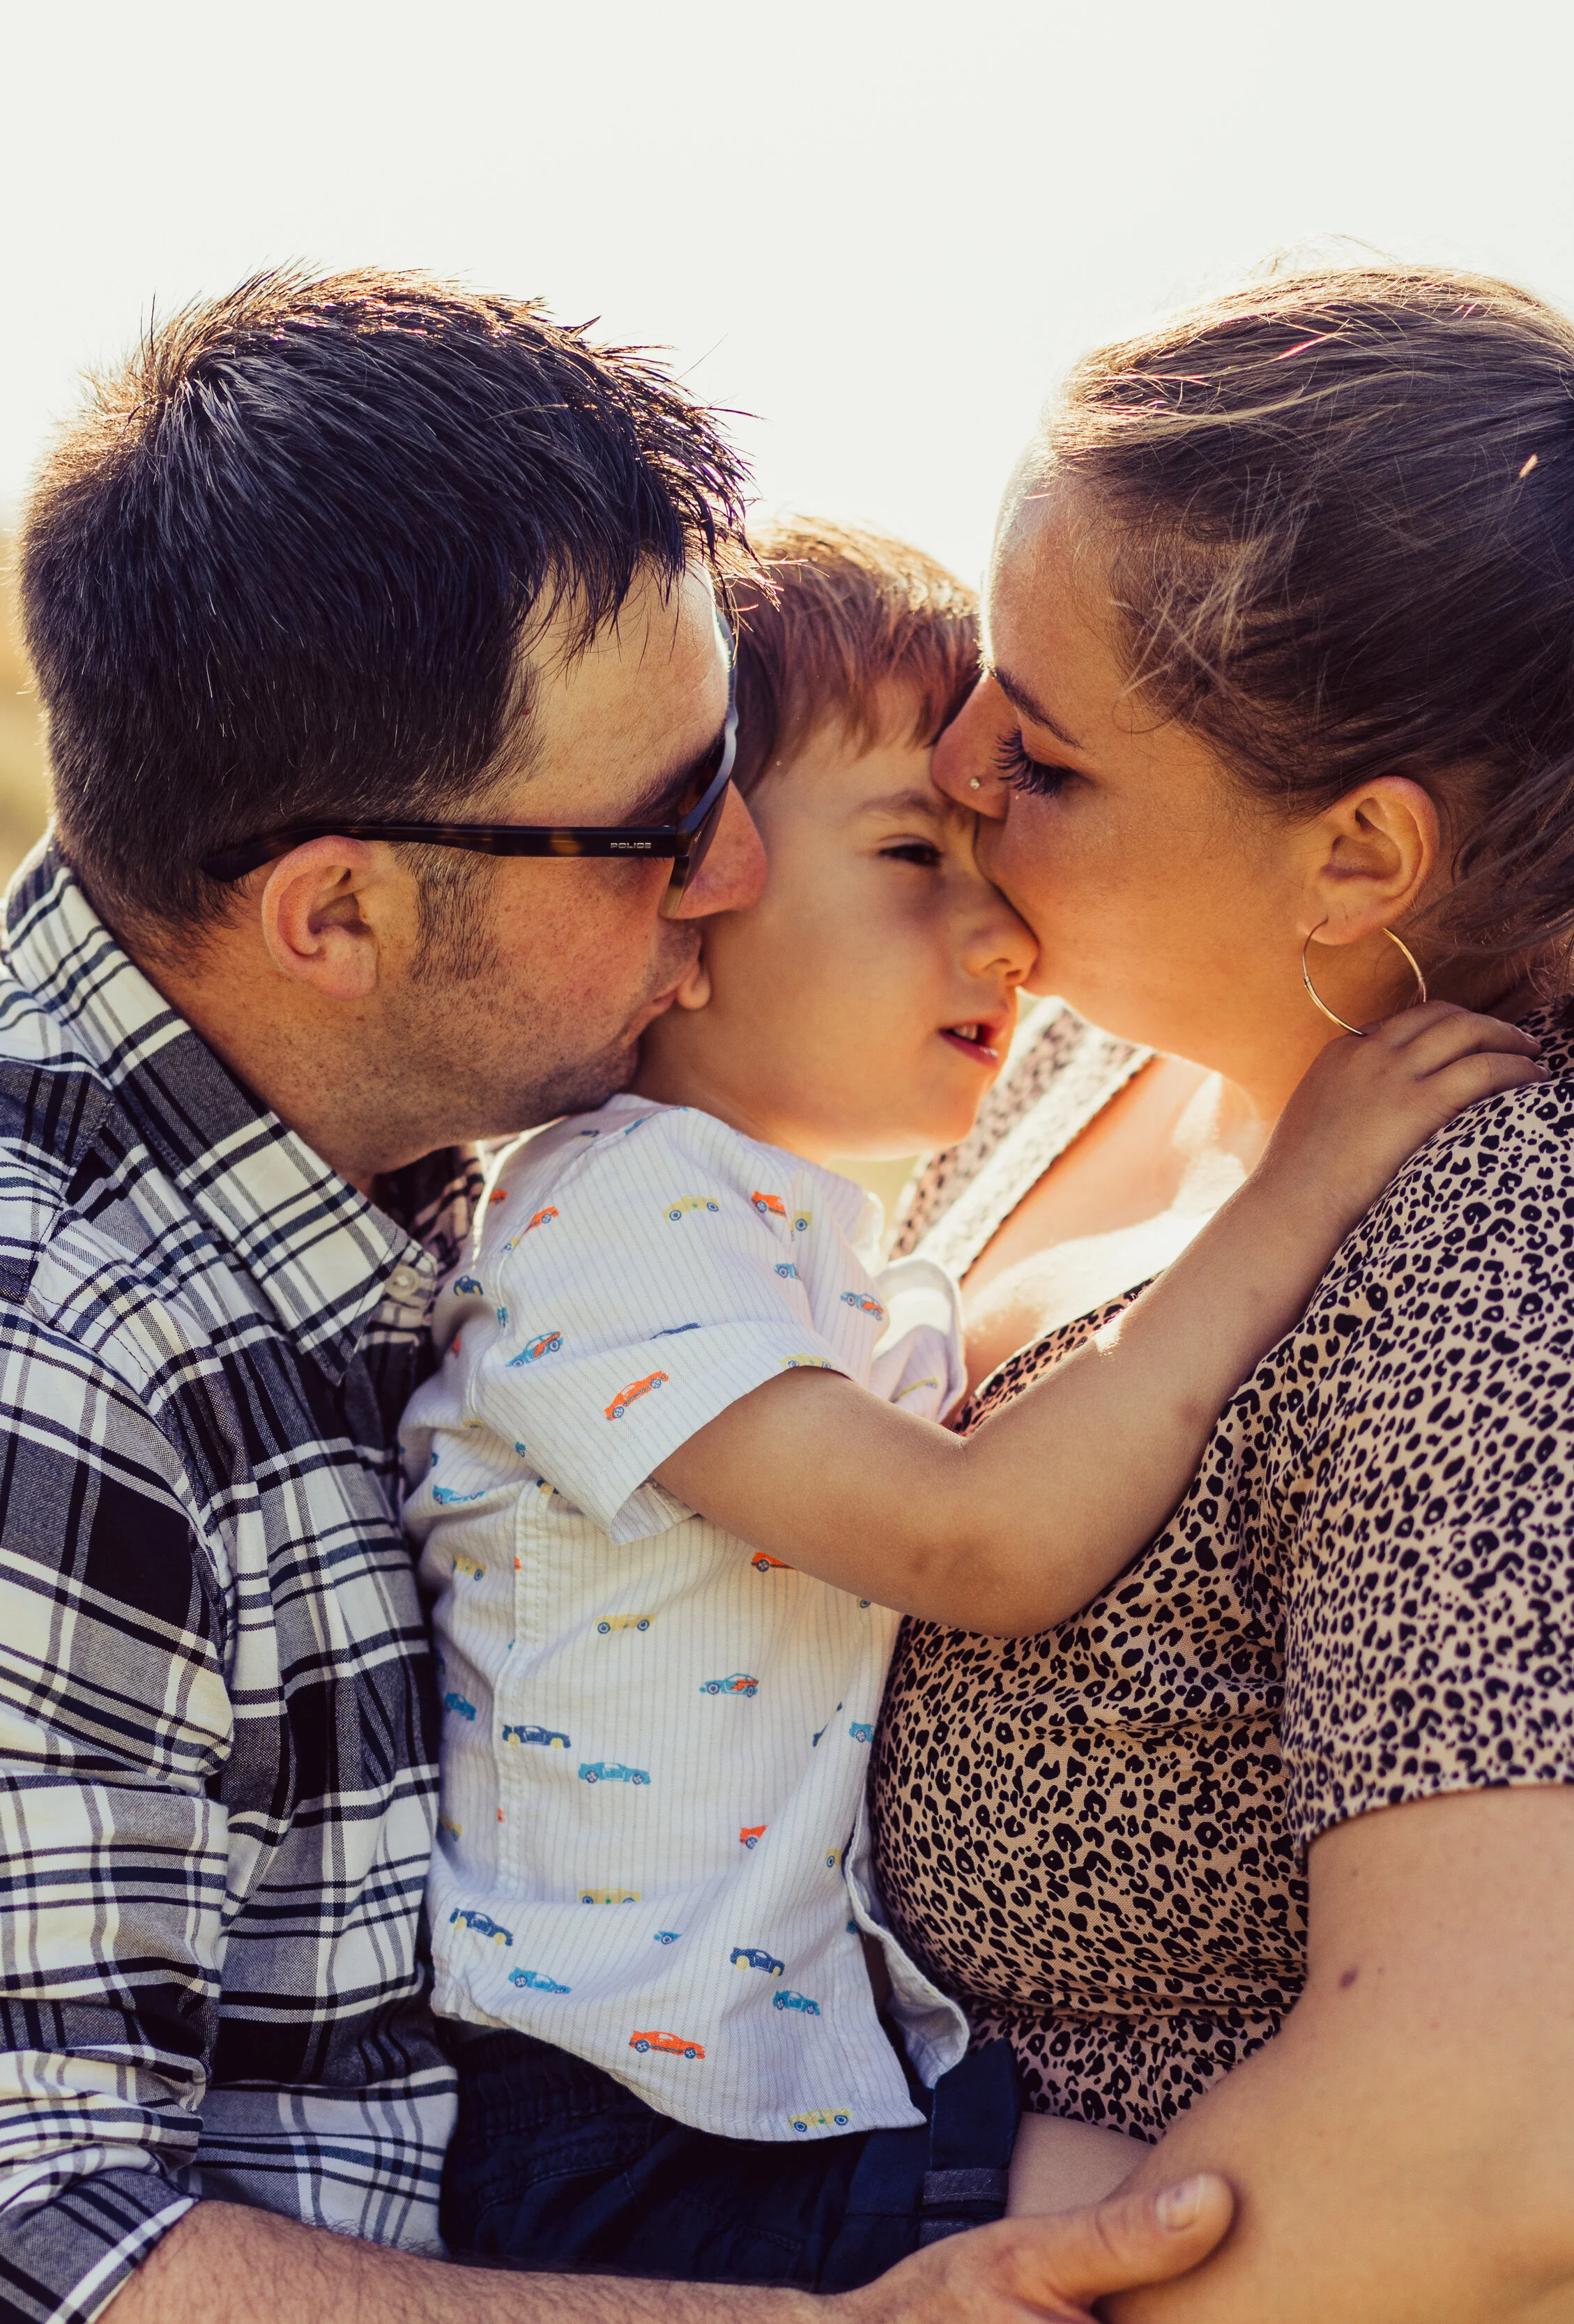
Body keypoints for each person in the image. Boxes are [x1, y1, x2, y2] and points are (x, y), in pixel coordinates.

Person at [0, 267, 1233, 2324]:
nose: (734, 875)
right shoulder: (56, 1354)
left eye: (729, 770)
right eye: (663, 825)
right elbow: (50, 2245)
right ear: (337, 913)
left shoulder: (440, 1146)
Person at [406, 517, 1538, 2286]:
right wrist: (1292, 1193)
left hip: (770, 2086)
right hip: (620, 2121)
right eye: (909, 853)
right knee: (1252, 2248)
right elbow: (978, 1539)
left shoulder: (792, 1237)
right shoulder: (605, 1221)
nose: (1001, 931)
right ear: (688, 892)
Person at [867, 271, 1574, 2322]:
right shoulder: (1079, 1056)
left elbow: (1511, 2163)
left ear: (1355, 856)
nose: (956, 756)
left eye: (1044, 752)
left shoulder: (1558, 1242)